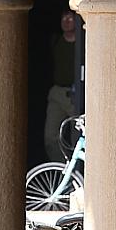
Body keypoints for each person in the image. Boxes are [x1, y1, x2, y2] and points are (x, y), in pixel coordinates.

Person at [44, 10, 79, 161]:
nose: (66, 21)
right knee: (51, 136)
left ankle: (78, 171)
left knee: (76, 136)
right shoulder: (56, 41)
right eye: (63, 18)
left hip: (75, 93)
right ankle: (61, 168)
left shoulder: (82, 42)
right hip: (58, 92)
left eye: (70, 18)